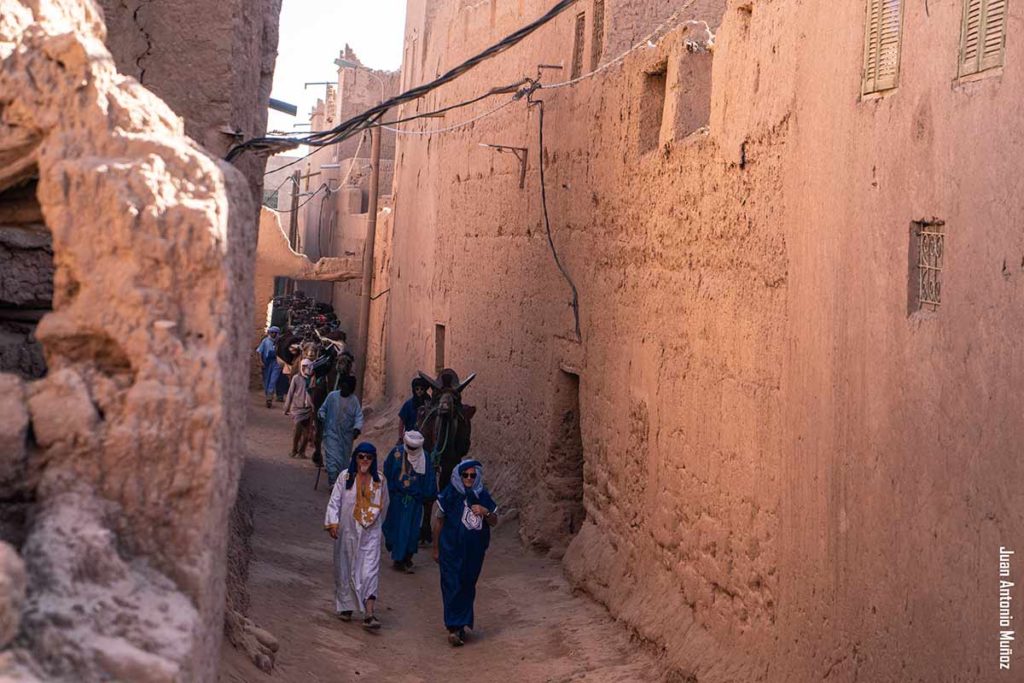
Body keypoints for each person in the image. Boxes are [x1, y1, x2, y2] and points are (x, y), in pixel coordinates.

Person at [432, 459, 498, 647]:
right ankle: (454, 626)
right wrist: (436, 548)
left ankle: (461, 624)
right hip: (450, 550)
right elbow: (439, 523)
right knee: (452, 584)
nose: (469, 479)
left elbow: (494, 521)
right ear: (459, 476)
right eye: (465, 475)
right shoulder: (450, 494)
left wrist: (485, 512)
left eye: (472, 475)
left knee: (467, 586)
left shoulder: (482, 496)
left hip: (474, 552)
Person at [324, 442, 389, 630]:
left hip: (370, 534)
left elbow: (385, 505)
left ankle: (369, 614)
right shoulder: (345, 477)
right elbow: (335, 501)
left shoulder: (380, 481)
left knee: (369, 571)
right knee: (345, 568)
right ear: (355, 458)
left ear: (374, 459)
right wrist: (333, 522)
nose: (365, 460)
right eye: (361, 456)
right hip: (347, 532)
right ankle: (346, 607)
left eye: (369, 457)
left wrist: (376, 529)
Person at [382, 431, 435, 573]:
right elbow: (387, 470)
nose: (411, 451)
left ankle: (406, 558)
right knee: (397, 528)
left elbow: (429, 479)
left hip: (414, 503)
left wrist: (426, 496)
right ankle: (398, 559)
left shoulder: (425, 458)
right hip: (398, 500)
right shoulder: (397, 453)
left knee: (411, 531)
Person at [318, 374, 363, 487]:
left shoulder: (354, 401)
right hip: (331, 433)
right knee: (332, 459)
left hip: (346, 437)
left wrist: (357, 428)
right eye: (343, 387)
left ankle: (340, 483)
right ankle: (332, 482)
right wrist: (322, 416)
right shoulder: (332, 397)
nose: (345, 389)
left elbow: (358, 416)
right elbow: (323, 409)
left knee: (343, 462)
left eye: (347, 387)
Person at [284, 358, 315, 459]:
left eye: (308, 367)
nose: (306, 369)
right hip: (297, 408)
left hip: (308, 409)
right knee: (297, 431)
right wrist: (286, 407)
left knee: (307, 434)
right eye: (304, 367)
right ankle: (294, 450)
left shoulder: (313, 379)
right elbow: (290, 393)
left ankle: (302, 451)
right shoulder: (296, 378)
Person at [397, 377, 430, 443]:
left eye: (421, 389)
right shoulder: (408, 405)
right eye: (417, 389)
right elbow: (401, 421)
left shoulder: (429, 404)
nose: (419, 391)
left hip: (425, 439)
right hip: (410, 438)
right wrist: (400, 437)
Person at [255, 326, 281, 408]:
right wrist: (260, 361)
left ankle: (269, 398)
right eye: (272, 332)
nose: (273, 334)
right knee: (266, 381)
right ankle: (267, 397)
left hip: (276, 363)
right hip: (266, 363)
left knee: (273, 380)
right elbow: (259, 352)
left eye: (275, 333)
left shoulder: (279, 342)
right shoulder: (265, 341)